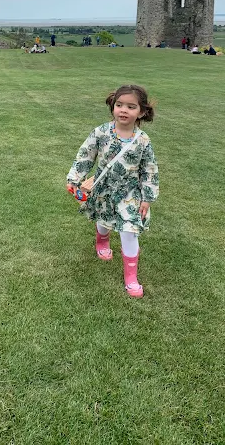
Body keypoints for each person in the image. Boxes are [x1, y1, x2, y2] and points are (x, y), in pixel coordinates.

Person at [66, 85, 159, 298]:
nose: (123, 110)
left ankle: (131, 277)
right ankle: (102, 240)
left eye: (131, 106)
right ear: (113, 107)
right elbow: (85, 155)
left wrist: (147, 197)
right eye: (119, 105)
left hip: (130, 194)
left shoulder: (143, 140)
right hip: (103, 190)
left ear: (142, 112)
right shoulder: (101, 132)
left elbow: (149, 169)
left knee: (129, 230)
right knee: (104, 219)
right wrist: (74, 179)